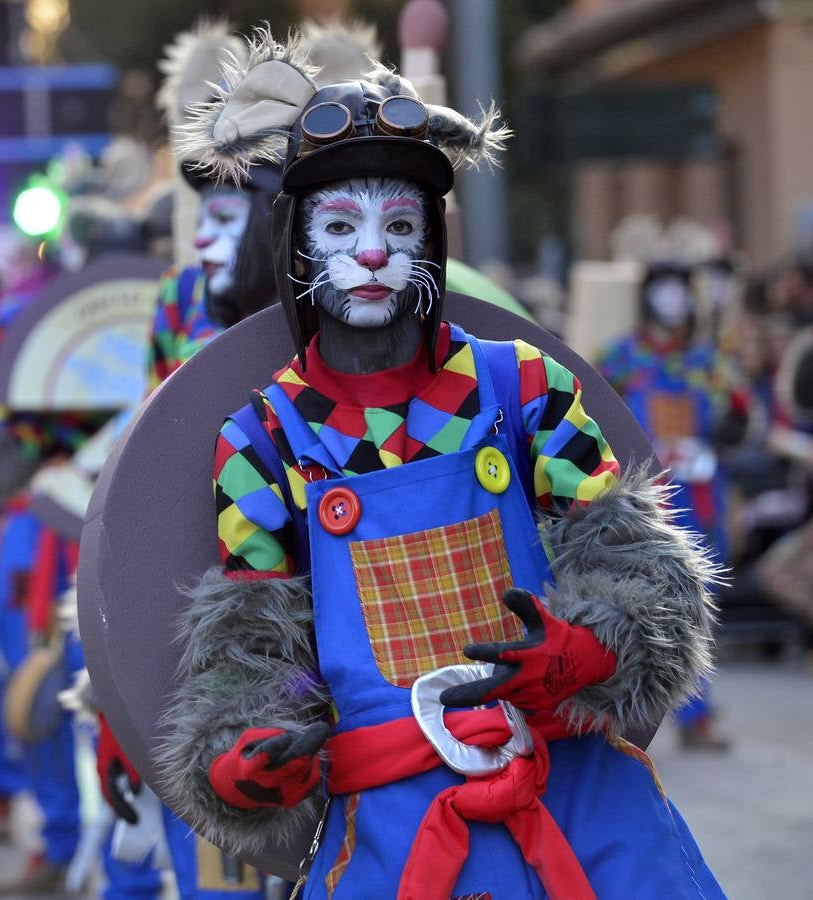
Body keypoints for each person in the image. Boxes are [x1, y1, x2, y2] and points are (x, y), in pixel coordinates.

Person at [155, 36, 724, 898]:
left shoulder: (525, 385)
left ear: (433, 240)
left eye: (399, 224)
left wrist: (586, 649)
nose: (374, 253)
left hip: (581, 803)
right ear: (299, 245)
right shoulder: (261, 440)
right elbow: (253, 647)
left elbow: (642, 571)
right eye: (342, 226)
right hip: (396, 833)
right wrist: (241, 755)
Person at [600, 263, 746, 750]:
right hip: (644, 495)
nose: (672, 299)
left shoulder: (707, 360)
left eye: (680, 288)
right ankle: (623, 711)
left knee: (697, 604)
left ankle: (695, 712)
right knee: (635, 603)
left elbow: (742, 414)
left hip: (700, 493)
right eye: (662, 288)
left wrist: (720, 439)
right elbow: (591, 410)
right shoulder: (622, 358)